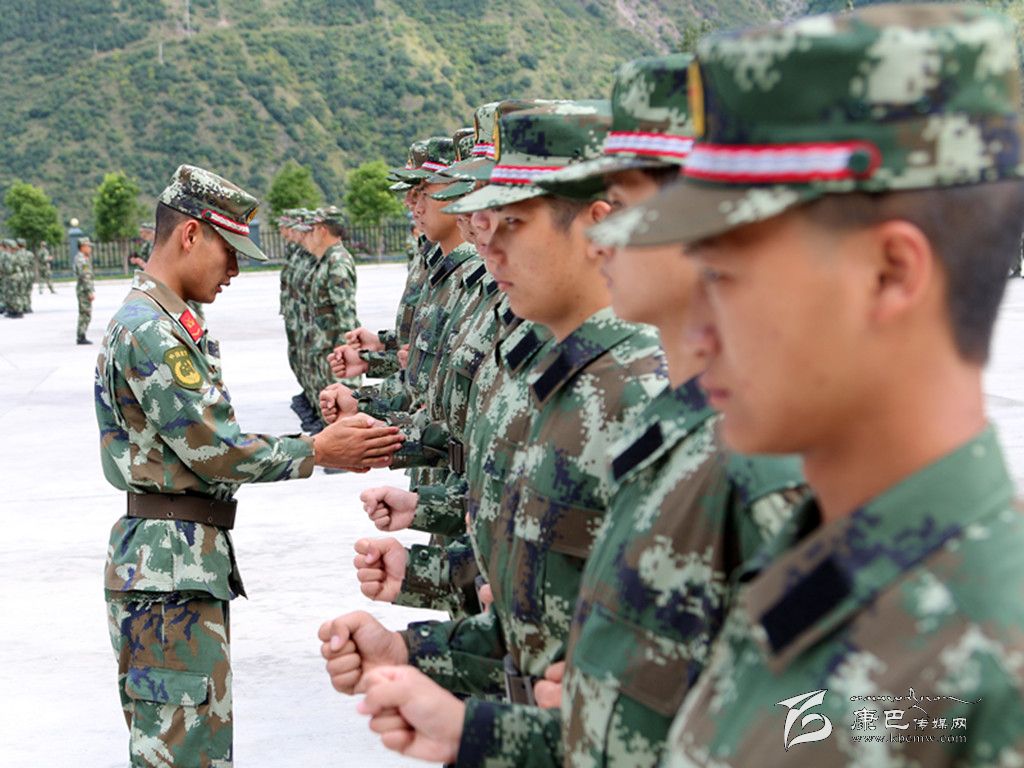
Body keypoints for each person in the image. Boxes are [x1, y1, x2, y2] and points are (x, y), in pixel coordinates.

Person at [586, 5, 1024, 765]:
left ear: (889, 274)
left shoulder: (995, 675)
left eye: (724, 276)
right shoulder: (818, 565)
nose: (698, 334)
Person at [95, 164, 405, 767]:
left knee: (195, 744)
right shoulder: (152, 332)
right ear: (190, 235)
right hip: (168, 568)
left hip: (176, 560)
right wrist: (319, 449)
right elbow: (217, 449)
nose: (235, 270)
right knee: (183, 752)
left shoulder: (163, 321)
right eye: (229, 251)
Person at [74, 236, 95, 343]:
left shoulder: (83, 258)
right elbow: (85, 276)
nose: (90, 249)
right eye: (88, 246)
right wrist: (89, 292)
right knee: (85, 313)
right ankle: (81, 336)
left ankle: (81, 335)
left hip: (83, 289)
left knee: (85, 313)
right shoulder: (82, 259)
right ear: (82, 247)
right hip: (84, 290)